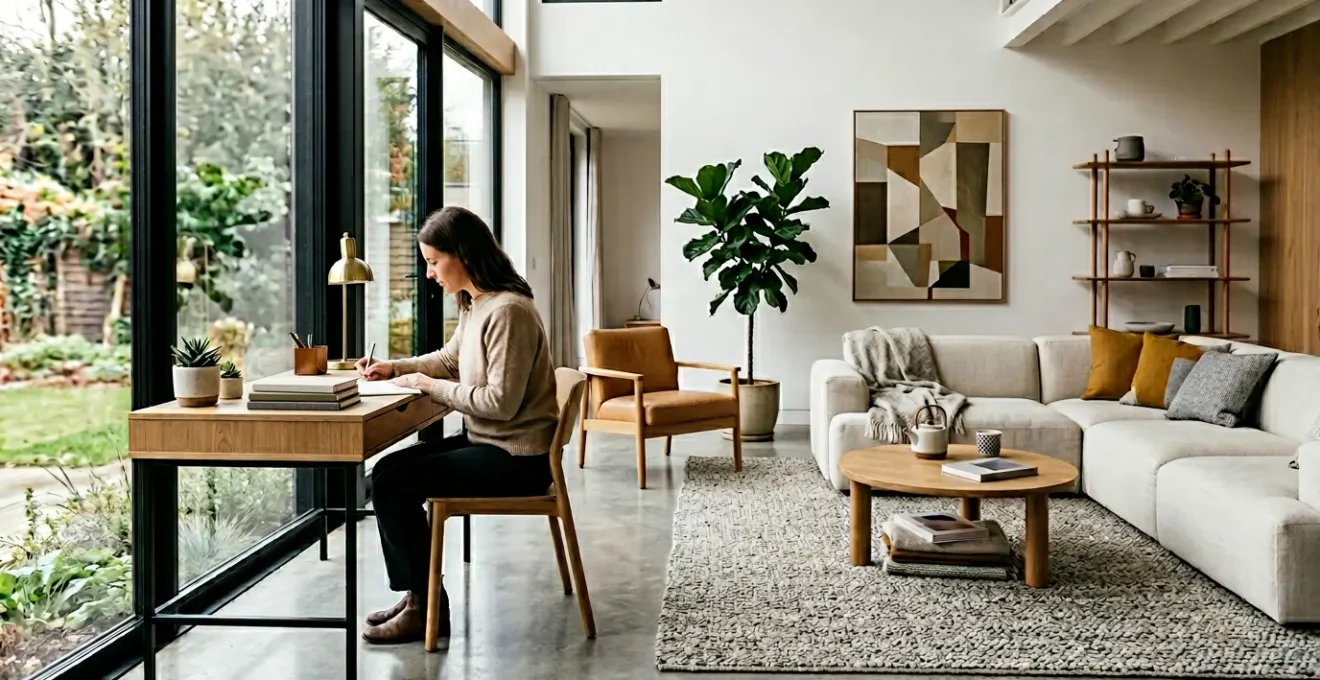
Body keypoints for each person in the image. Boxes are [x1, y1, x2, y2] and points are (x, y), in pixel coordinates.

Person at [355, 206, 559, 644]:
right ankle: (420, 596)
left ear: (462, 254)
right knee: (386, 474)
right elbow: (450, 361)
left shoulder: (509, 312)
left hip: (518, 460)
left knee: (392, 484)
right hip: (491, 444)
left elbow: (500, 404)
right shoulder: (476, 303)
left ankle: (424, 607)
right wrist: (395, 368)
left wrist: (429, 387)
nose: (429, 274)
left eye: (432, 262)